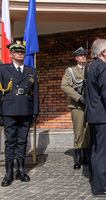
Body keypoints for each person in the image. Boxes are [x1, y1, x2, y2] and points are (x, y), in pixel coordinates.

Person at [0, 41, 39, 187]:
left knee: (22, 141)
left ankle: (21, 170)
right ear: (11, 54)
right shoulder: (3, 70)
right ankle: (9, 173)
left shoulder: (31, 71)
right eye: (16, 52)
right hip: (9, 109)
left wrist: (35, 111)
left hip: (26, 110)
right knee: (10, 142)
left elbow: (36, 94)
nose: (20, 54)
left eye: (22, 52)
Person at [85, 38, 106, 197]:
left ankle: (99, 180)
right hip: (103, 117)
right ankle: (100, 187)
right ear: (103, 51)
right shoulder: (103, 68)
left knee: (96, 150)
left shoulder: (92, 66)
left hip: (95, 116)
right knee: (103, 152)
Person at [61, 47, 90, 170]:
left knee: (88, 131)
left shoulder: (90, 70)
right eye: (80, 56)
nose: (83, 57)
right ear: (76, 58)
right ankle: (78, 158)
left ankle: (87, 156)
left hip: (89, 105)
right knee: (78, 131)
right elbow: (65, 86)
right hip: (77, 105)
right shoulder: (71, 71)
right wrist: (79, 98)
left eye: (84, 55)